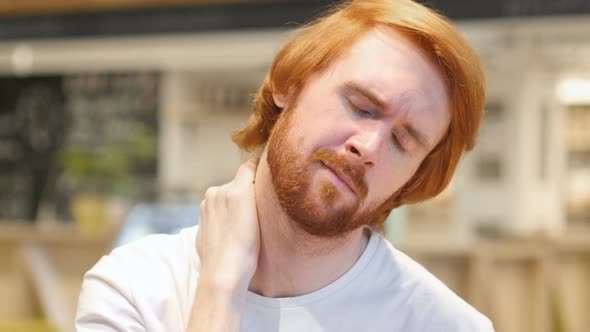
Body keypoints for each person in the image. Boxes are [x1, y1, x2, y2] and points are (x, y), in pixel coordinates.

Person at [76, 0, 493, 331]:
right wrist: (220, 288)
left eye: (403, 141)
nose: (369, 147)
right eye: (361, 107)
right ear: (289, 84)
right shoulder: (135, 288)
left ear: (414, 179)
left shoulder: (445, 324)